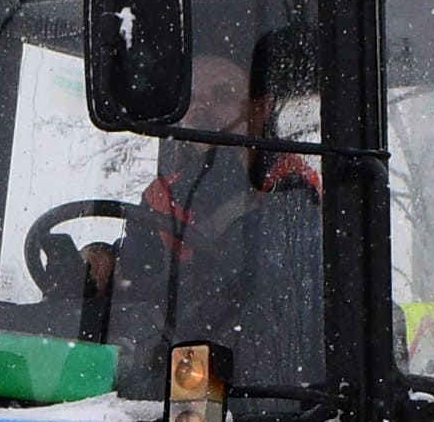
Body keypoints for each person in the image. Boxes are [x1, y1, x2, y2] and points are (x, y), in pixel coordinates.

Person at [123, 25, 322, 383]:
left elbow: (270, 303)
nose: (202, 109)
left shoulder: (293, 194)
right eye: (192, 98)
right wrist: (103, 264)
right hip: (171, 374)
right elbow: (136, 278)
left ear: (259, 110)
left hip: (255, 384)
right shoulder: (163, 196)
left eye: (223, 95)